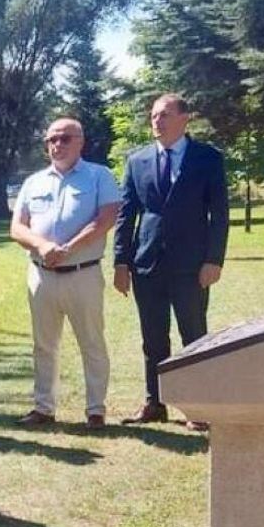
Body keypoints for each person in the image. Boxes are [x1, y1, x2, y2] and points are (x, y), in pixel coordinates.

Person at [113, 94, 230, 428]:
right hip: (147, 263)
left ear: (184, 119)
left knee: (194, 336)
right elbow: (126, 215)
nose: (157, 121)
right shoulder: (137, 161)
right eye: (153, 116)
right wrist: (121, 262)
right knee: (152, 338)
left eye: (164, 115)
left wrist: (214, 259)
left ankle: (198, 407)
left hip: (192, 266)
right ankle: (155, 402)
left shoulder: (207, 158)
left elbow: (219, 215)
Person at [10, 117, 121, 428]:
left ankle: (96, 410)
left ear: (80, 142)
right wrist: (43, 246)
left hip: (82, 274)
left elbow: (106, 219)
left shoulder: (99, 176)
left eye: (65, 139)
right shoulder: (34, 182)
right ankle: (43, 408)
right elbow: (17, 227)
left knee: (91, 342)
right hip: (41, 274)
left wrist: (68, 248)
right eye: (51, 140)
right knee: (44, 344)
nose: (57, 145)